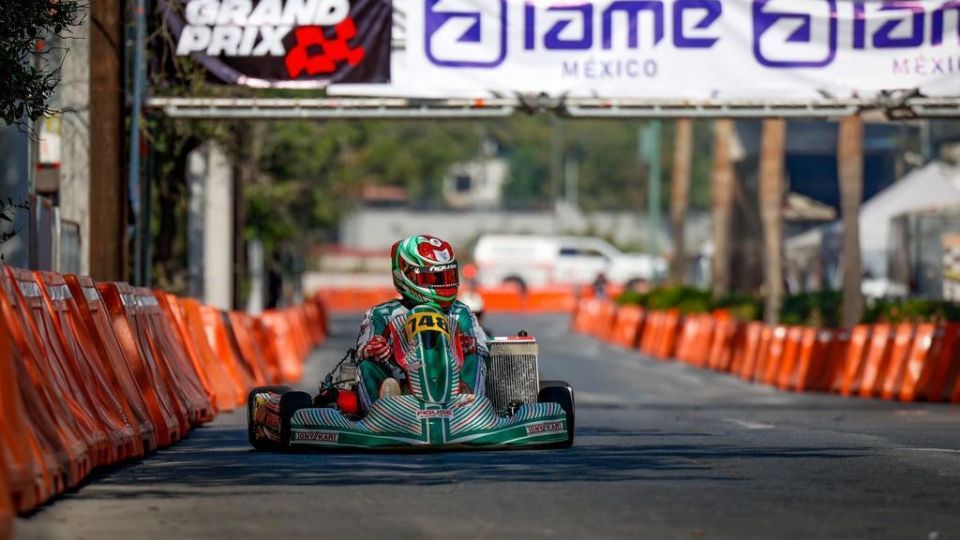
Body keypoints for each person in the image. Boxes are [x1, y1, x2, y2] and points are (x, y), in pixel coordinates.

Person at [355, 235, 489, 412]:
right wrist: (374, 349)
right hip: (401, 388)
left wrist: (470, 345)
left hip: (453, 387)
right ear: (406, 274)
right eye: (434, 278)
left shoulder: (460, 312)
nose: (443, 283)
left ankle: (471, 406)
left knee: (476, 360)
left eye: (447, 276)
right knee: (367, 367)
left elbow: (483, 347)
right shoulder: (382, 314)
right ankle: (383, 408)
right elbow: (362, 350)